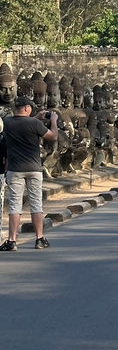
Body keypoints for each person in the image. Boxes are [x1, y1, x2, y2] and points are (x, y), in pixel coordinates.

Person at [0, 96, 59, 251]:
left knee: (15, 206)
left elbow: (20, 124)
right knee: (36, 204)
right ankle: (39, 239)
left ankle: (12, 240)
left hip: (15, 169)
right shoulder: (35, 124)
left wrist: (35, 118)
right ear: (27, 108)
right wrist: (53, 120)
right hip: (33, 168)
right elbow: (53, 137)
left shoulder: (7, 123)